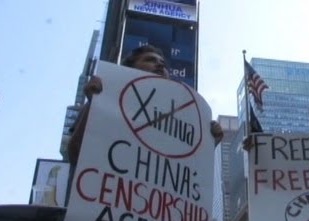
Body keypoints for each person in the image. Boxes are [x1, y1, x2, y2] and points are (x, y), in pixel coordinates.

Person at [67, 45, 224, 166]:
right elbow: (76, 156)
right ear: (130, 68)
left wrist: (210, 144)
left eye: (162, 63)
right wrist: (94, 105)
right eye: (150, 60)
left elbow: (186, 171)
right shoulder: (103, 98)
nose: (160, 65)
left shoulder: (180, 120)